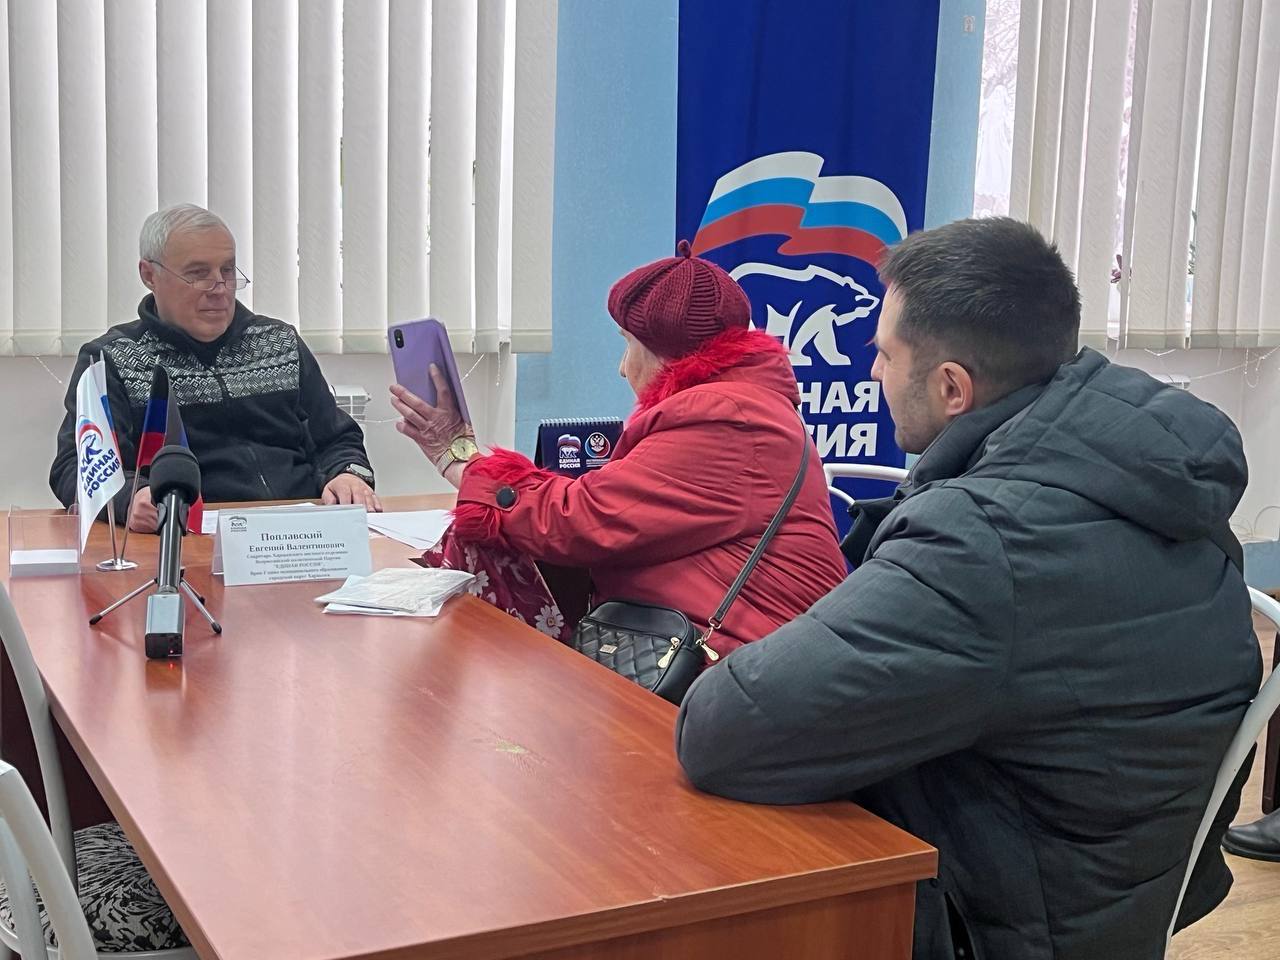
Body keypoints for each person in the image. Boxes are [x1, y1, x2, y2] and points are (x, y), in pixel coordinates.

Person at [674, 217, 1262, 959]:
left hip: (1006, 922)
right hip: (1116, 886)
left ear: (952, 387)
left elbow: (720, 735)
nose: (871, 373)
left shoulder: (984, 540)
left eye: (885, 354)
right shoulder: (1142, 469)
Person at [390, 241, 848, 660]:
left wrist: (458, 458)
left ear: (669, 353)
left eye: (629, 345)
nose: (622, 368)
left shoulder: (725, 417)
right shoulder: (744, 406)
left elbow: (581, 521)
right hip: (752, 658)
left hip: (742, 674)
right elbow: (616, 510)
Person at [50, 204, 379, 530]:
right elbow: (75, 468)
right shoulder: (112, 359)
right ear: (150, 275)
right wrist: (129, 500)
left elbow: (337, 439)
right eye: (198, 274)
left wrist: (348, 474)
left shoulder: (279, 342)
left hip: (298, 530)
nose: (219, 289)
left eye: (227, 271)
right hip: (186, 535)